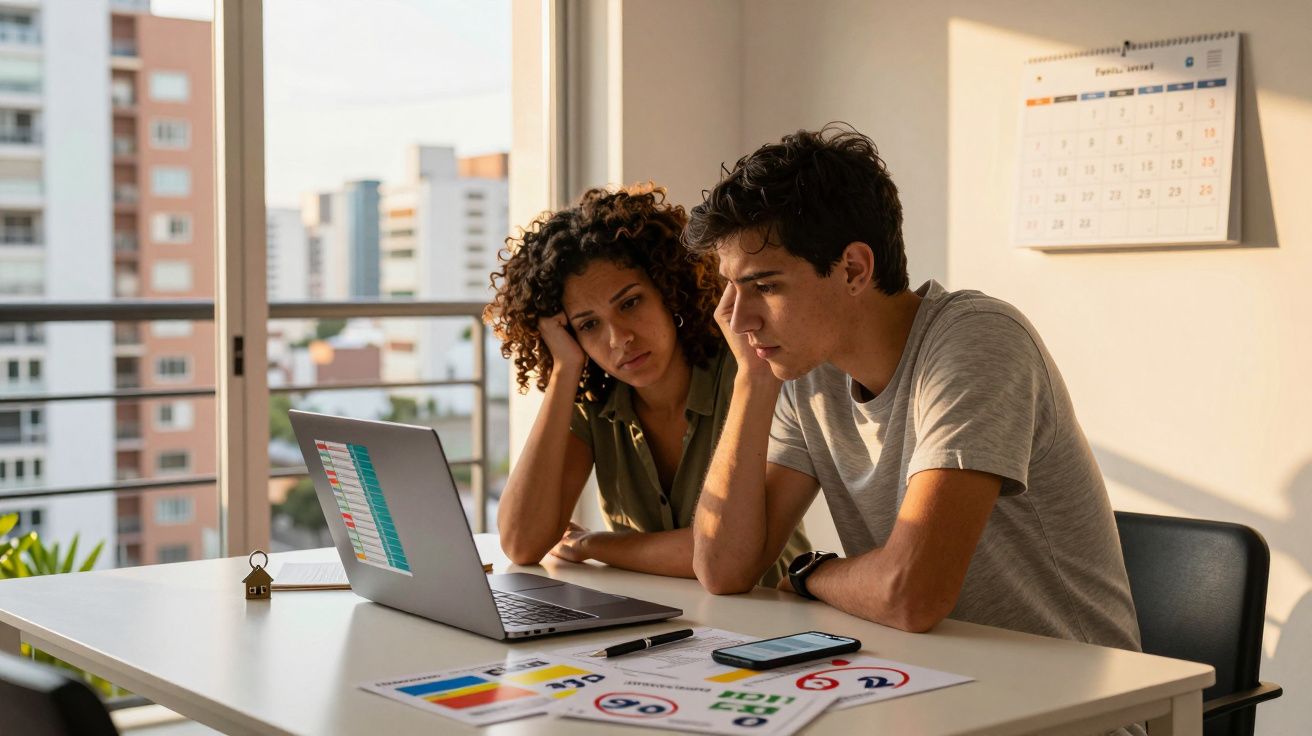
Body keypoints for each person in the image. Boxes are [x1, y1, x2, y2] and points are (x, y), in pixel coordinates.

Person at [683, 126, 1141, 652]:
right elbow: (723, 569)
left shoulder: (978, 340)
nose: (738, 319)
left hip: (1071, 691)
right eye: (732, 288)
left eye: (765, 286)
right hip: (933, 674)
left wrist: (812, 573)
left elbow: (910, 595)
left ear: (853, 269)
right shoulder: (808, 372)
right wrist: (751, 377)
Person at [485, 184, 809, 585]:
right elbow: (521, 542)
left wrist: (593, 545)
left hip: (769, 609)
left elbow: (720, 554)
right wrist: (564, 369)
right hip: (659, 615)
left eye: (630, 303)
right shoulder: (595, 404)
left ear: (669, 291)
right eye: (589, 325)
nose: (619, 339)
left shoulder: (749, 370)